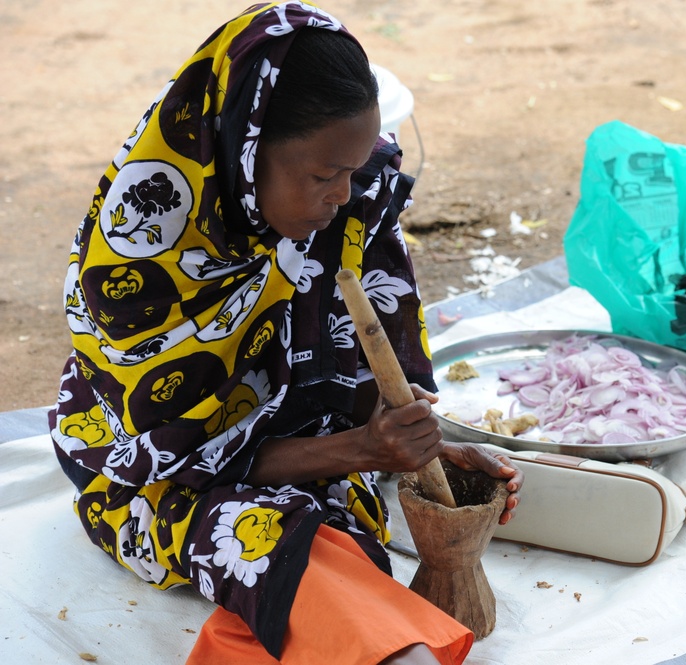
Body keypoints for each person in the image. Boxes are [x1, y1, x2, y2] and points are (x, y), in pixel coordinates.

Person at [48, 2, 523, 663]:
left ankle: (364, 637)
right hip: (151, 471)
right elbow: (189, 465)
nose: (342, 195)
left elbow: (367, 381)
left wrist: (425, 445)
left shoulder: (343, 208)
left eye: (352, 172)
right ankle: (390, 646)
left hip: (310, 449)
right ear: (243, 150)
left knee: (339, 534)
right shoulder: (139, 264)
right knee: (254, 533)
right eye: (324, 176)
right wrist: (366, 449)